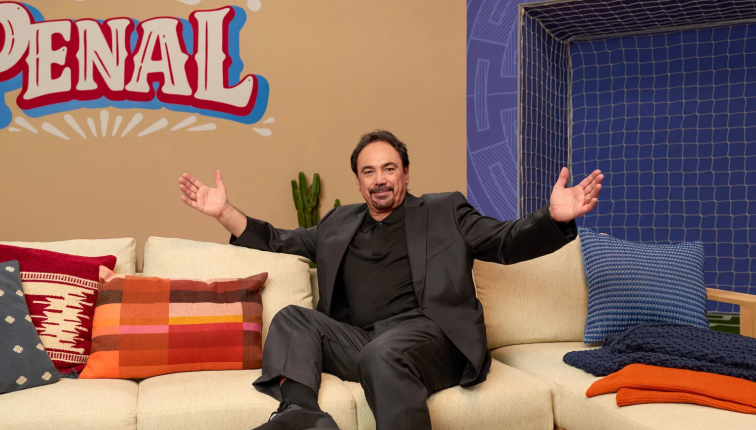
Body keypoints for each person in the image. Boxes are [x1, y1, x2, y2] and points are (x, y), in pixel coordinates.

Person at [178, 130, 603, 430]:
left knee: (383, 353)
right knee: (292, 318)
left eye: (388, 169)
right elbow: (278, 240)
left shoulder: (444, 211)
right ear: (359, 181)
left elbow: (504, 242)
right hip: (362, 342)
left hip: (432, 340)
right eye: (368, 172)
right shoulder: (338, 222)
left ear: (405, 173)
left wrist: (552, 218)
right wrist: (225, 213)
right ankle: (303, 415)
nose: (379, 179)